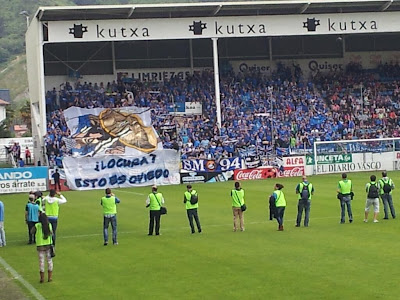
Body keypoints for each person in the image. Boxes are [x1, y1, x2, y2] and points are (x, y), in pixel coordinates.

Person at [31, 213, 53, 283]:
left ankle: (42, 278)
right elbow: (52, 233)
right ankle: (50, 277)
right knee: (49, 261)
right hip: (48, 246)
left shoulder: (37, 225)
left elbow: (31, 232)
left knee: (41, 262)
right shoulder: (49, 225)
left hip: (40, 246)